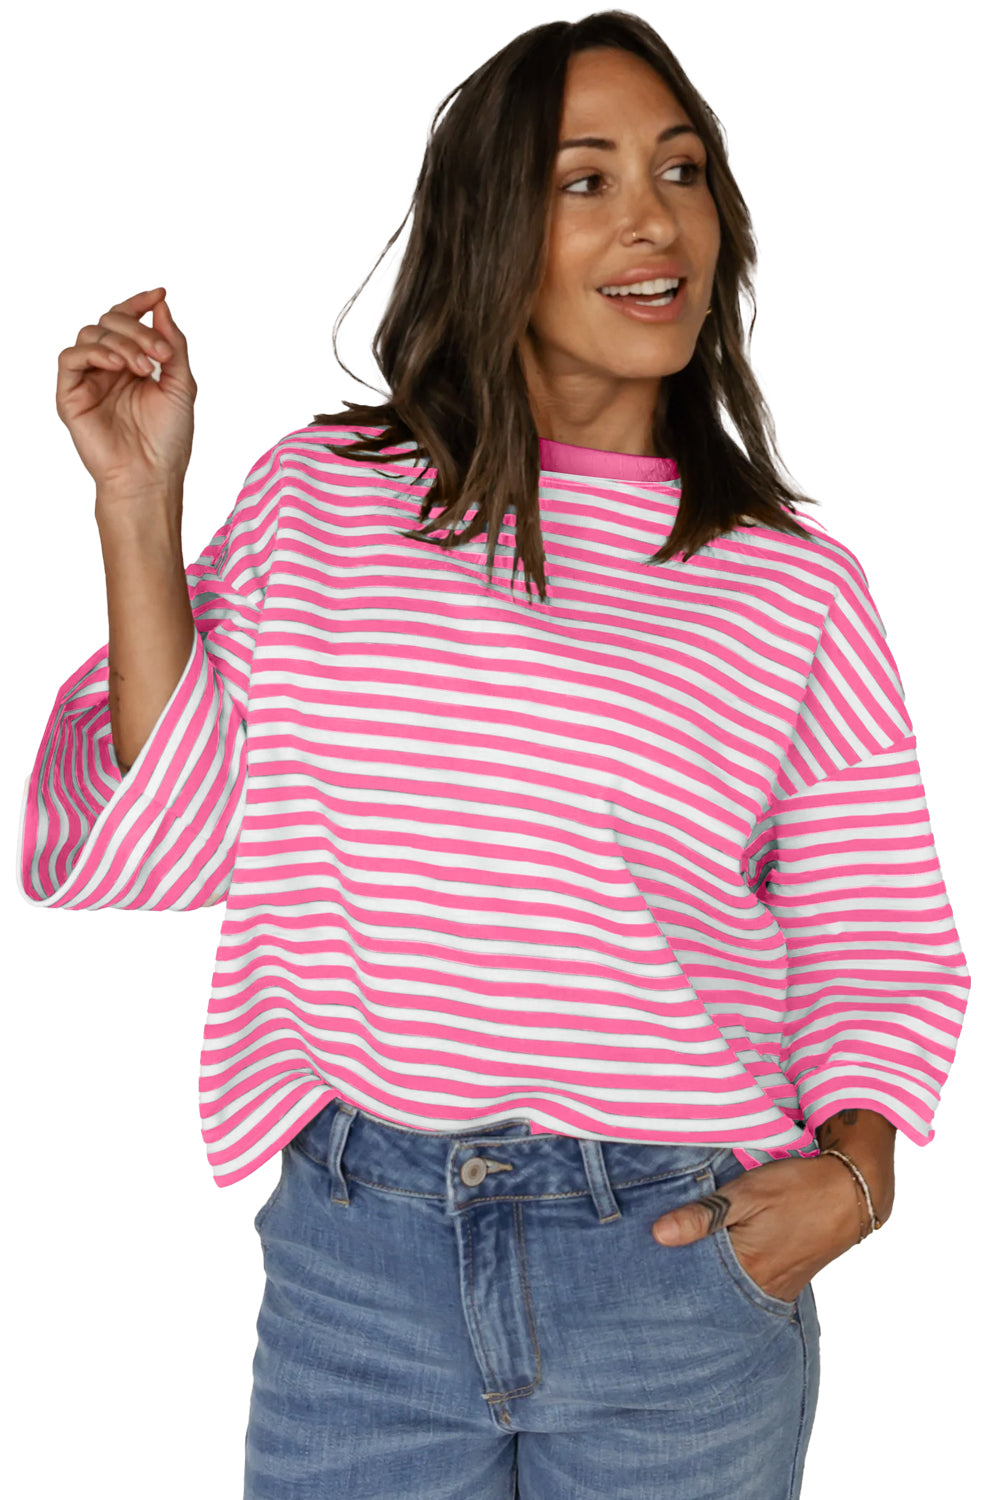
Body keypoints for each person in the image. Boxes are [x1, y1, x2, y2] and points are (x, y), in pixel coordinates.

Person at [18, 12, 970, 1499]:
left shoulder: (791, 585)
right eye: (585, 180)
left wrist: (855, 1179)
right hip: (362, 1260)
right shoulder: (325, 503)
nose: (654, 220)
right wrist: (137, 509)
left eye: (681, 171)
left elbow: (874, 929)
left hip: (677, 1260)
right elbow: (179, 836)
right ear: (489, 229)